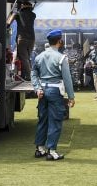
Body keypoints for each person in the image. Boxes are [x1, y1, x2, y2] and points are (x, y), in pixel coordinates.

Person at [31, 29, 75, 161]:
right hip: (55, 91)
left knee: (42, 120)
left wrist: (37, 88)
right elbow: (67, 79)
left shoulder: (39, 56)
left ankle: (40, 149)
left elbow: (34, 74)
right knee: (55, 121)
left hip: (42, 91)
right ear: (60, 41)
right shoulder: (61, 58)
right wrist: (71, 97)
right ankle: (52, 151)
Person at [7, 1, 36, 80]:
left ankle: (30, 76)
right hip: (32, 38)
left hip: (22, 38)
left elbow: (8, 23)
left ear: (22, 6)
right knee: (27, 58)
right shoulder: (33, 15)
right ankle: (27, 75)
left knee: (24, 58)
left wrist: (12, 13)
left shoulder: (18, 14)